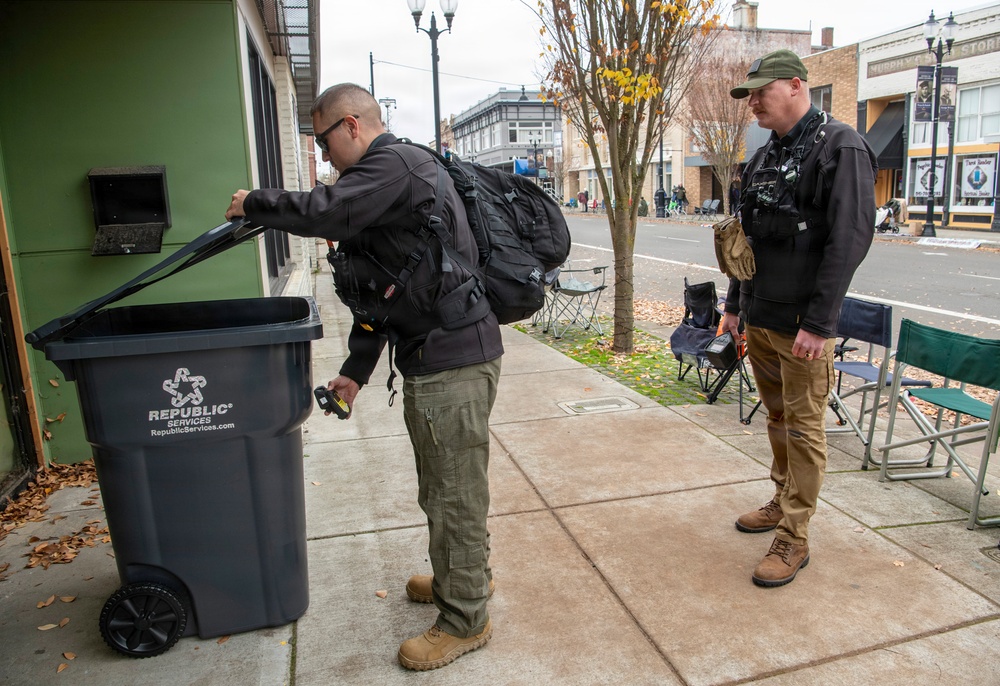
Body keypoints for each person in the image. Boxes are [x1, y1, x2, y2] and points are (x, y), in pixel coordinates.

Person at [224, 83, 501, 670]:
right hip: (437, 355)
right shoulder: (387, 181)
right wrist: (354, 371)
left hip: (453, 359)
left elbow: (326, 210)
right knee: (444, 487)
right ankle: (464, 577)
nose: (323, 158)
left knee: (454, 493)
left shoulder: (393, 165)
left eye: (324, 142)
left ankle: (466, 617)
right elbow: (386, 291)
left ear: (351, 125)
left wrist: (256, 203)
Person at [723, 50, 876, 587]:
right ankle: (782, 496)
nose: (754, 102)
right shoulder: (766, 155)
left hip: (803, 328)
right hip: (761, 318)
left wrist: (820, 322)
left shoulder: (841, 146)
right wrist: (734, 306)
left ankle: (794, 536)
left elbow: (850, 240)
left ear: (795, 85)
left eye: (762, 91)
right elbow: (747, 241)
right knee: (778, 420)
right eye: (750, 94)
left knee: (805, 429)